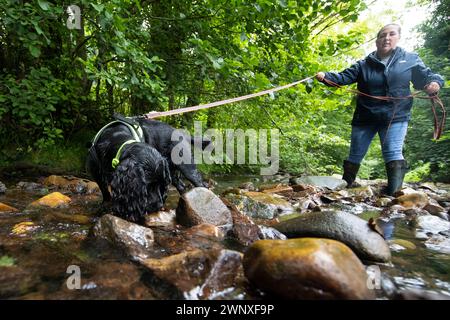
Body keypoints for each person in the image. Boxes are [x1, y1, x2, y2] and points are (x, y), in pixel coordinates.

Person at [316, 23, 444, 196]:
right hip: (365, 116)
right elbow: (342, 78)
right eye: (383, 35)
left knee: (393, 151)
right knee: (355, 154)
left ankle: (394, 194)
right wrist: (325, 77)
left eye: (392, 34)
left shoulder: (411, 59)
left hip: (396, 115)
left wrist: (435, 83)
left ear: (398, 38)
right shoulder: (363, 64)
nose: (387, 38)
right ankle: (343, 189)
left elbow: (427, 78)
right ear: (377, 40)